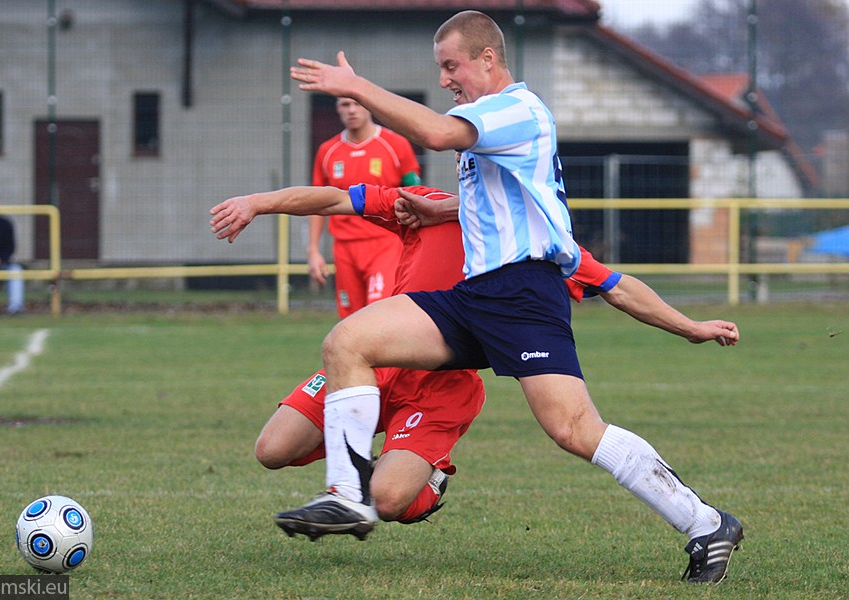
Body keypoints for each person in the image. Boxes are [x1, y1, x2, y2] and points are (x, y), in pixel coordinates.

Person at [275, 10, 743, 584]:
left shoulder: (517, 109)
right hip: (476, 296)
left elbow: (437, 133)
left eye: (451, 66)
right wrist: (441, 209)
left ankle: (705, 522)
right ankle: (349, 496)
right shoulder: (493, 128)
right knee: (349, 340)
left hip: (524, 296)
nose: (446, 78)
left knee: (574, 430)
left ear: (487, 59)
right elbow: (502, 194)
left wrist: (357, 88)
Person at [211, 184, 740, 543]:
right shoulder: (423, 204)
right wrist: (258, 202)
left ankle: (424, 476)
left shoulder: (534, 246)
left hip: (440, 385)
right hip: (372, 361)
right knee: (272, 449)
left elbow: (618, 287)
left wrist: (691, 326)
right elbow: (333, 199)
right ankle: (352, 478)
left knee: (391, 501)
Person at [308, 97, 422, 318]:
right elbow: (316, 203)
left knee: (379, 314)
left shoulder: (395, 144)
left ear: (369, 105)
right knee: (350, 319)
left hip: (385, 243)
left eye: (357, 103)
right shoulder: (327, 151)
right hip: (344, 247)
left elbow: (416, 194)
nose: (352, 110)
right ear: (337, 109)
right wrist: (313, 250)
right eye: (344, 105)